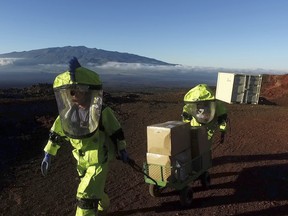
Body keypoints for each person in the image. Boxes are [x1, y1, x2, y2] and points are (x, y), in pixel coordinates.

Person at [40, 57, 129, 216]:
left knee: (85, 196)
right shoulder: (67, 114)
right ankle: (103, 203)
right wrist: (48, 154)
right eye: (70, 91)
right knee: (94, 189)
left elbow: (116, 131)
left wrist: (122, 149)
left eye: (77, 90)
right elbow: (56, 133)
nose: (73, 94)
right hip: (80, 160)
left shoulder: (101, 112)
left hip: (98, 159)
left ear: (87, 91)